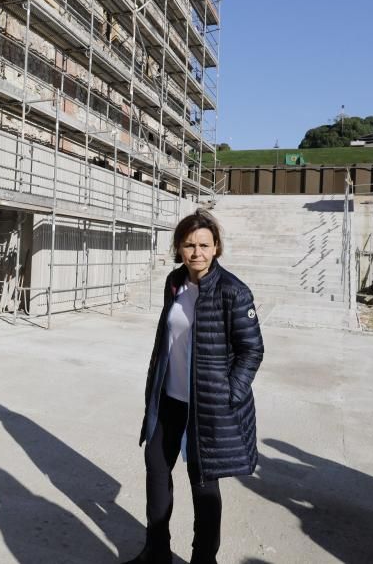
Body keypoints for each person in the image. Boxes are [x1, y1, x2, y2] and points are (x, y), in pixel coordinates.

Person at [125, 209, 264, 564]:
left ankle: (204, 559)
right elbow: (167, 341)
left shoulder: (234, 291)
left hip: (208, 406)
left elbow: (252, 350)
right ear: (179, 248)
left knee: (203, 486)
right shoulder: (174, 282)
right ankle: (156, 552)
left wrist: (230, 393)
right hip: (169, 400)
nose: (197, 252)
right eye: (189, 245)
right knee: (156, 470)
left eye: (204, 245)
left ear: (216, 247)